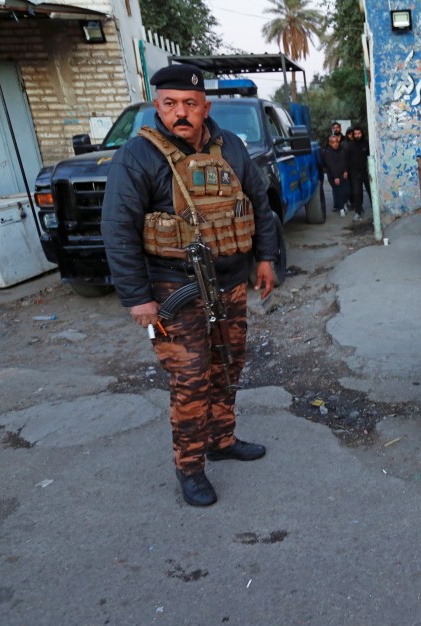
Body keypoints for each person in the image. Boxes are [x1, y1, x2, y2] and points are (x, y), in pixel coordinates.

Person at [101, 63, 276, 508]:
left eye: (190, 104)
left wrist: (268, 258)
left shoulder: (230, 146)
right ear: (156, 105)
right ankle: (190, 468)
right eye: (170, 104)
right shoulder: (138, 156)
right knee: (191, 380)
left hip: (231, 284)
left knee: (228, 365)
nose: (180, 113)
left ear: (205, 107)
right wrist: (137, 298)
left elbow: (258, 203)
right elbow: (118, 229)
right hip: (171, 290)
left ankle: (222, 439)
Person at [345, 125, 370, 221]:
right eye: (355, 134)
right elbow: (346, 159)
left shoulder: (366, 143)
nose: (357, 135)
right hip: (355, 172)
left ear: (362, 133)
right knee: (357, 192)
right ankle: (358, 212)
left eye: (359, 133)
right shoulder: (350, 145)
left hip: (366, 171)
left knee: (370, 191)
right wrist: (346, 171)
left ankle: (376, 212)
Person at [321, 134, 349, 216]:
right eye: (333, 142)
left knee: (347, 191)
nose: (335, 144)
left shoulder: (342, 150)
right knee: (339, 192)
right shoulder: (328, 153)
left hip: (343, 174)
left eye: (336, 142)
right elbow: (331, 166)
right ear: (330, 143)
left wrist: (346, 171)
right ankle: (341, 209)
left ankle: (344, 204)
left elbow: (345, 161)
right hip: (334, 176)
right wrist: (336, 177)